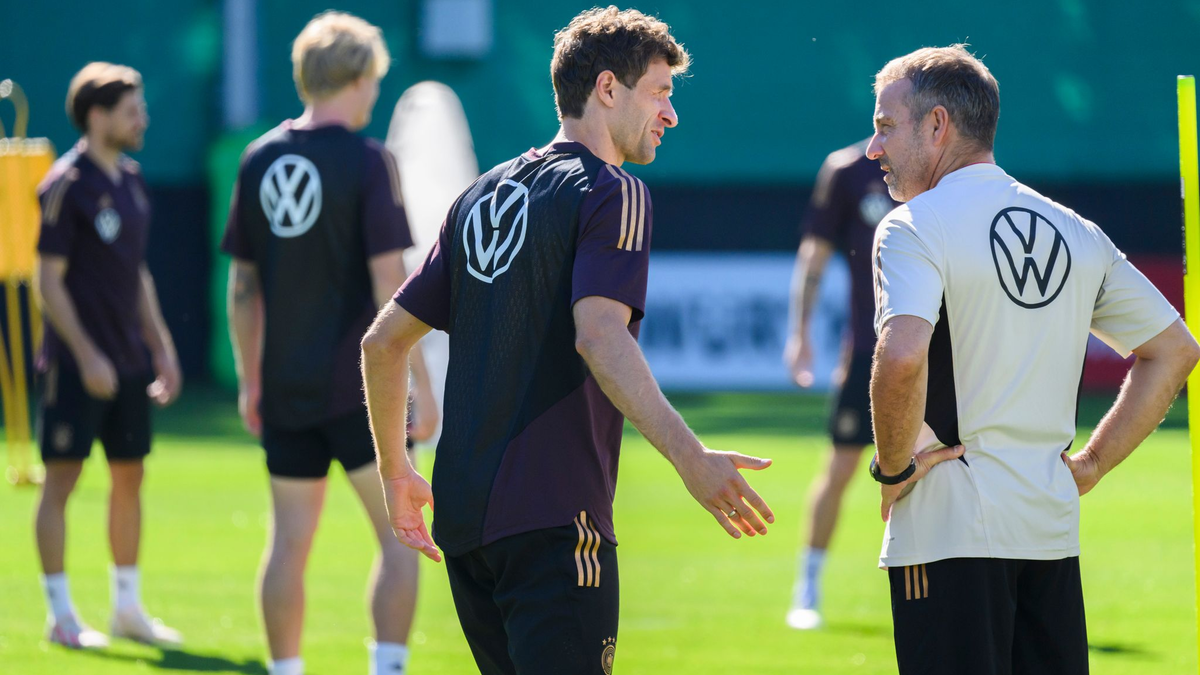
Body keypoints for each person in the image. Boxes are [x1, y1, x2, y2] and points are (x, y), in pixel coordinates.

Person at [360, 7, 775, 674]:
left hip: (466, 521)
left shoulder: (478, 196)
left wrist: (395, 472)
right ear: (608, 88)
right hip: (554, 518)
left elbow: (382, 344)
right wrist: (691, 458)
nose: (670, 115)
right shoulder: (612, 191)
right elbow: (600, 337)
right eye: (661, 93)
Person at [866, 45, 1200, 674]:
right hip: (1050, 532)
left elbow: (903, 354)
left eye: (886, 126)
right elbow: (1174, 350)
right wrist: (1092, 465)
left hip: (947, 532)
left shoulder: (913, 226)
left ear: (938, 126)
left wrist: (891, 471)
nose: (872, 148)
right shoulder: (1078, 231)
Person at [220, 12, 436, 675]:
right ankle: (388, 667)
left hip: (286, 385)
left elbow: (242, 289)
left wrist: (250, 379)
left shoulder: (258, 157)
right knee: (400, 539)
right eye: (372, 78)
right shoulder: (369, 163)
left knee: (287, 544)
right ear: (354, 77)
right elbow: (389, 285)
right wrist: (423, 388)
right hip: (359, 392)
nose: (375, 91)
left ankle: (287, 669)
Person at [33, 62, 183, 649]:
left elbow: (138, 274)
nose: (142, 118)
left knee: (131, 478)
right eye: (131, 110)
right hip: (75, 367)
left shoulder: (133, 181)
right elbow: (49, 283)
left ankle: (126, 609)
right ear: (98, 116)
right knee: (60, 485)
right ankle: (60, 615)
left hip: (128, 363)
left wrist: (162, 348)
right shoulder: (64, 184)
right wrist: (88, 356)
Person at [783, 139, 896, 630]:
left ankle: (940, 591)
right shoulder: (847, 170)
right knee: (842, 466)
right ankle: (807, 585)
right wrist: (800, 334)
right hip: (870, 353)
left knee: (942, 473)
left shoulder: (944, 163)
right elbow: (814, 254)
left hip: (941, 354)